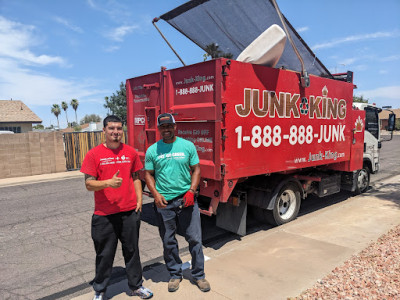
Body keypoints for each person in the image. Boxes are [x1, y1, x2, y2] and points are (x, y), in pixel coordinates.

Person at [80, 115, 153, 300]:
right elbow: (89, 184)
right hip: (104, 214)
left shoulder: (130, 152)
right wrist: (108, 183)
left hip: (129, 212)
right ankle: (100, 289)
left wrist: (138, 200)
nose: (116, 132)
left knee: (132, 251)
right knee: (104, 254)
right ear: (104, 130)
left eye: (119, 129)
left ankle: (136, 286)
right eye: (111, 128)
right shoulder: (93, 154)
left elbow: (137, 177)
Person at [144, 113, 210, 293]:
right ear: (159, 129)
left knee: (195, 239)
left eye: (169, 126)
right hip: (164, 203)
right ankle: (175, 274)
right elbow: (148, 174)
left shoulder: (187, 146)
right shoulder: (152, 150)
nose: (166, 130)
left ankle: (199, 275)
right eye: (163, 127)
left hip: (186, 200)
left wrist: (191, 190)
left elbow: (196, 169)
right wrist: (155, 194)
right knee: (168, 241)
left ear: (175, 127)